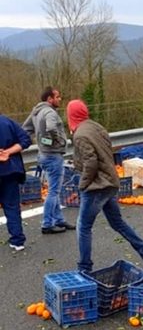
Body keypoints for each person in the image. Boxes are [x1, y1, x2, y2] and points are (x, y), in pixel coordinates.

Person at [67, 99, 143, 272]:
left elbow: (91, 161)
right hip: (110, 182)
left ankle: (84, 268)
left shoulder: (80, 134)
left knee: (83, 226)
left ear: (71, 116)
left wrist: (83, 183)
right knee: (117, 222)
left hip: (96, 186)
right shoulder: (96, 127)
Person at [22, 87, 75, 234]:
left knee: (54, 188)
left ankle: (59, 220)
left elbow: (26, 129)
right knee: (54, 191)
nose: (59, 99)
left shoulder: (36, 111)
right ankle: (46, 224)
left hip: (43, 154)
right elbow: (52, 128)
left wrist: (40, 141)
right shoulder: (50, 112)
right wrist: (60, 142)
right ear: (49, 99)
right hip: (53, 155)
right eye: (57, 97)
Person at [0, 111, 32, 251]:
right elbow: (26, 140)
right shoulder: (7, 122)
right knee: (12, 206)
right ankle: (17, 240)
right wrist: (8, 152)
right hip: (10, 170)